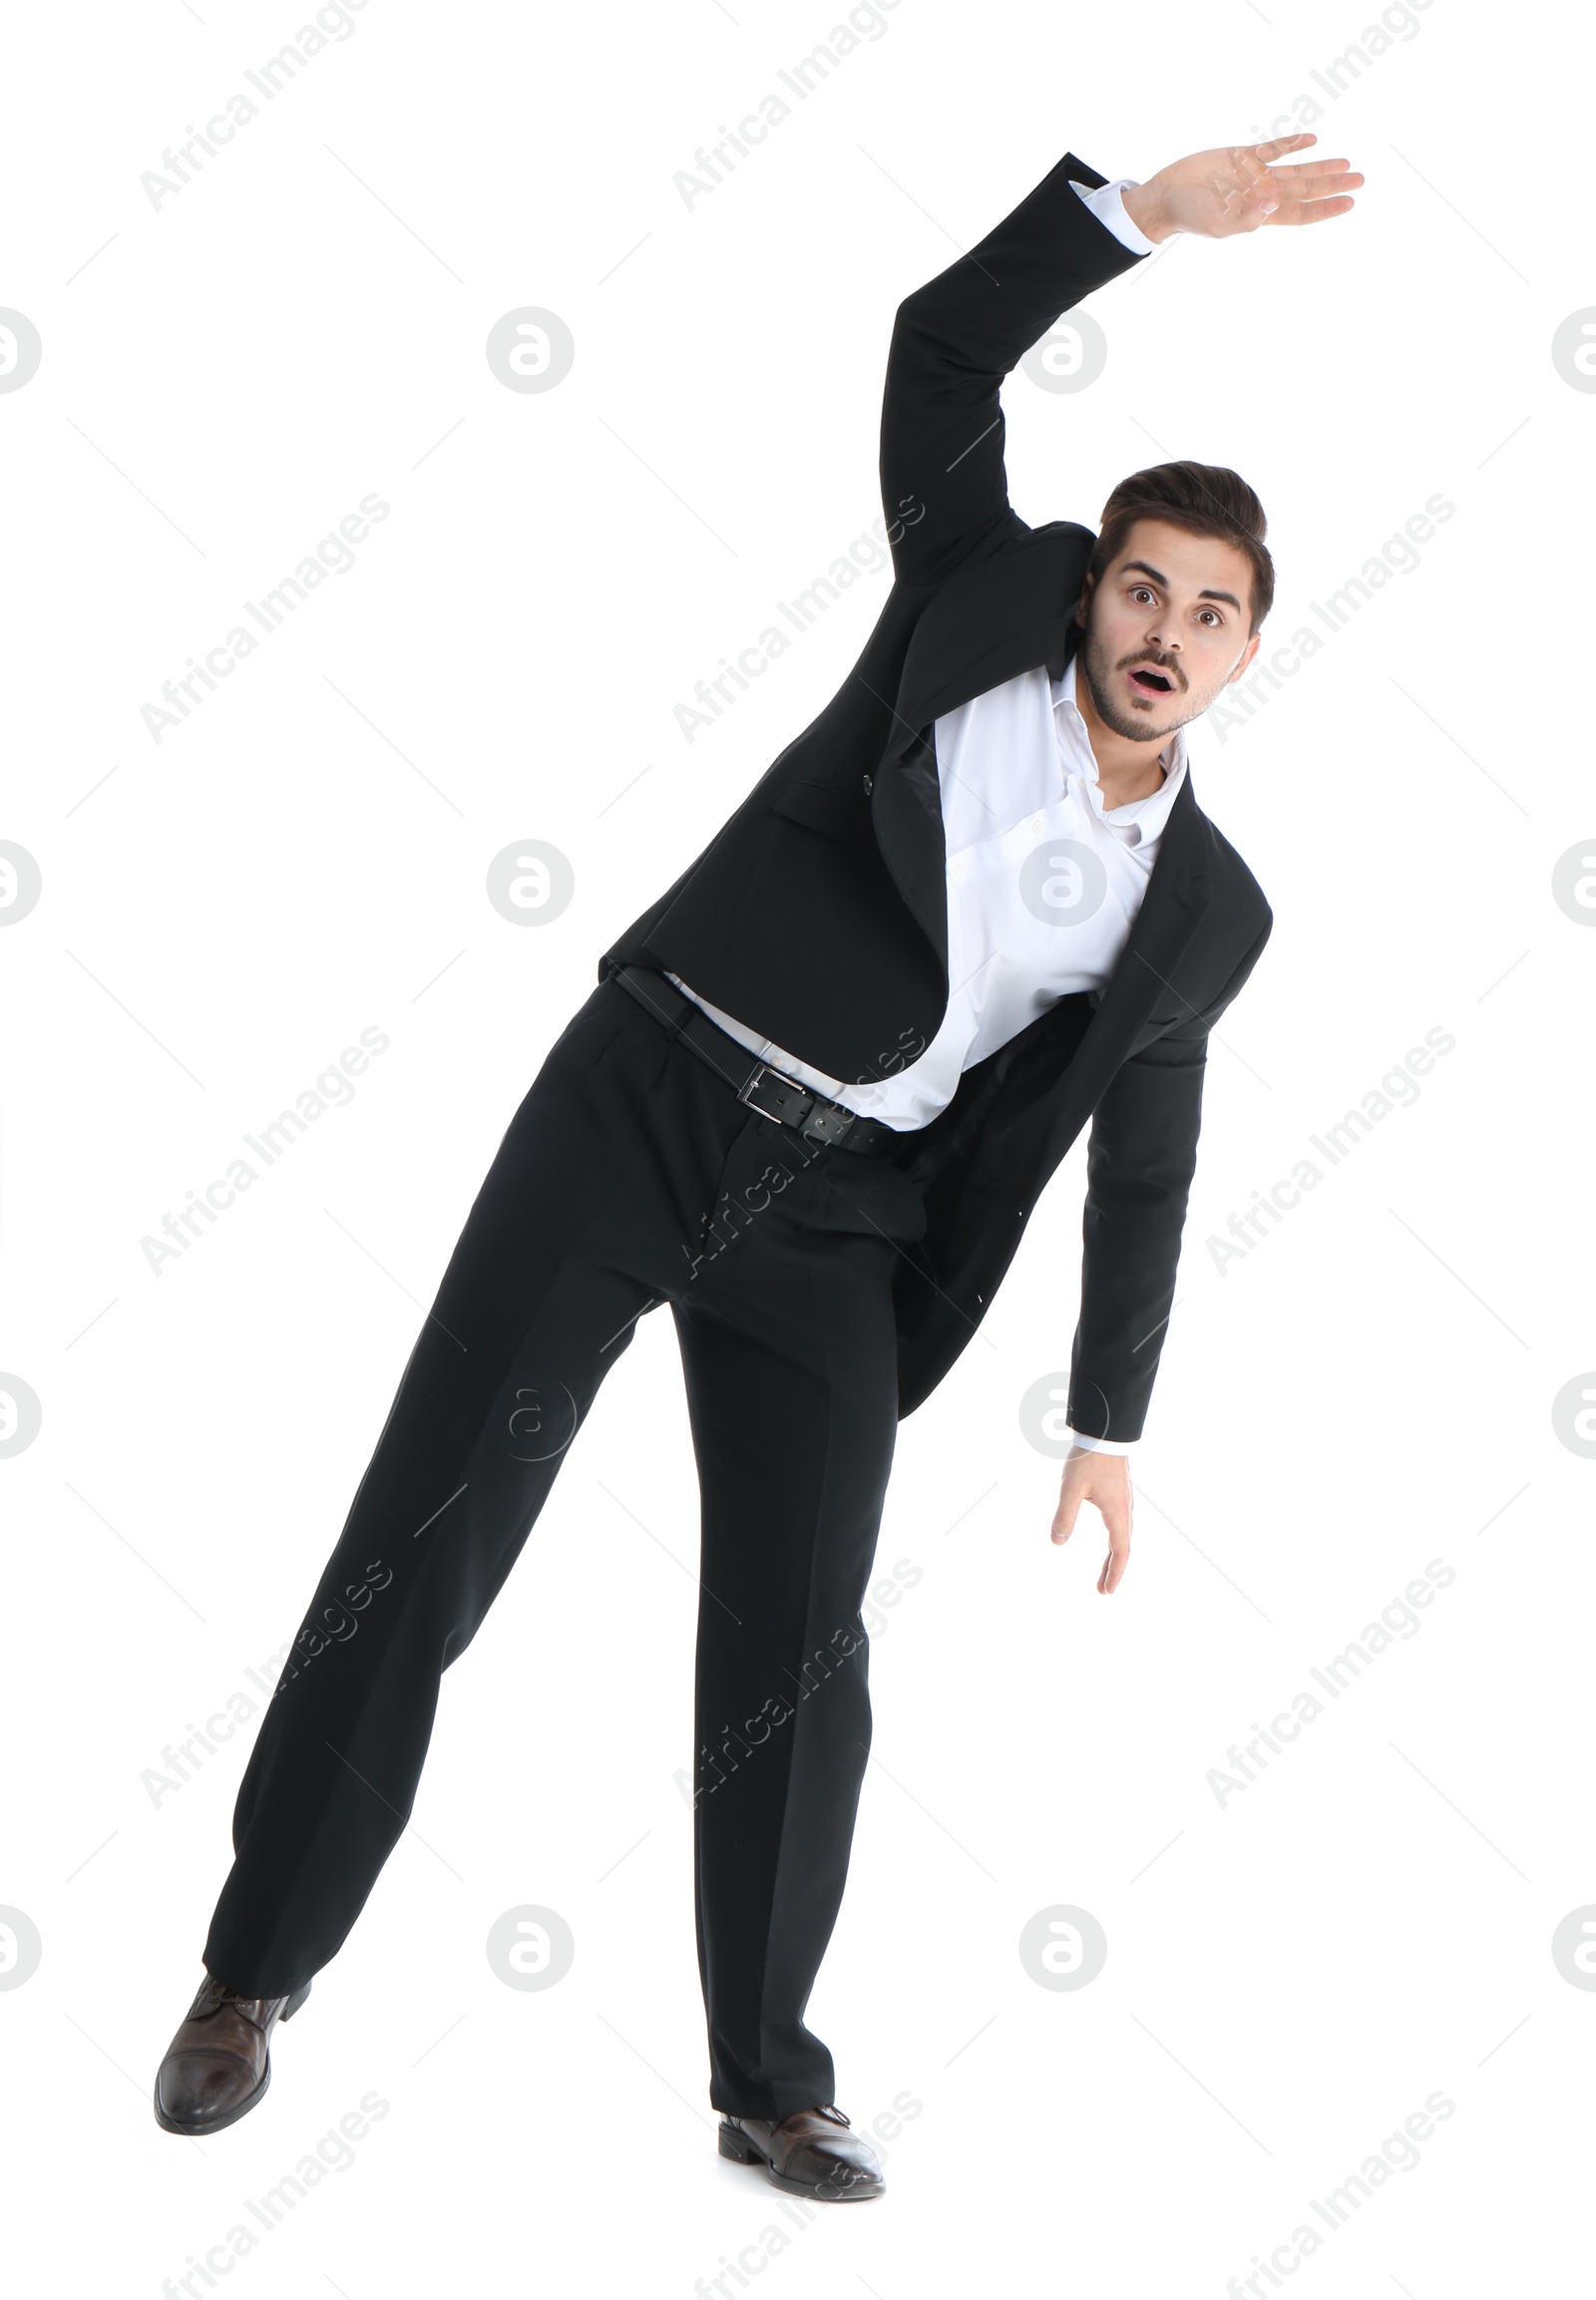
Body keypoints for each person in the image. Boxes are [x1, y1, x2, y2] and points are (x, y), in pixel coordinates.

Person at [153, 133, 1361, 2201]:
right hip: (649, 1094)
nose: (1164, 628)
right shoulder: (971, 605)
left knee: (794, 1652)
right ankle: (253, 1974)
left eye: (1211, 614)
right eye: (1142, 586)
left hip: (841, 1221)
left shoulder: (1209, 914)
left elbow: (1141, 1156)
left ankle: (764, 2079)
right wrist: (1139, 219)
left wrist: (1106, 1417)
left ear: (1251, 653)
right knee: (435, 1517)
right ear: (1090, 586)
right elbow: (937, 346)